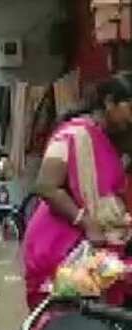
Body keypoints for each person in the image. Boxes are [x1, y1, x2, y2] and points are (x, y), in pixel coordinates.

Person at [23, 72, 132, 310]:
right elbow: (45, 186)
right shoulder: (72, 135)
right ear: (109, 102)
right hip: (61, 243)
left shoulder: (115, 141)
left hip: (100, 249)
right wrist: (87, 223)